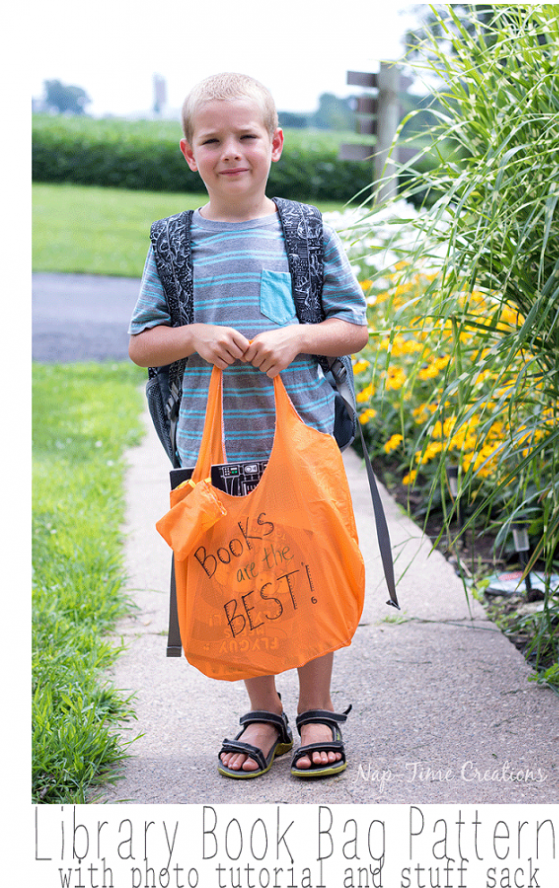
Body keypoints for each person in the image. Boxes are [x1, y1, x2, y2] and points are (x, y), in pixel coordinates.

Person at [128, 72, 368, 779]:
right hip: (215, 442)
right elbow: (144, 342)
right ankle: (263, 711)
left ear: (276, 144)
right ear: (188, 153)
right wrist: (193, 335)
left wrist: (298, 337)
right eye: (213, 140)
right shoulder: (175, 243)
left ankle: (317, 707)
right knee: (242, 577)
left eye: (246, 136)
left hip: (302, 440)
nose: (231, 151)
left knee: (309, 572)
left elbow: (351, 328)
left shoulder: (302, 230)